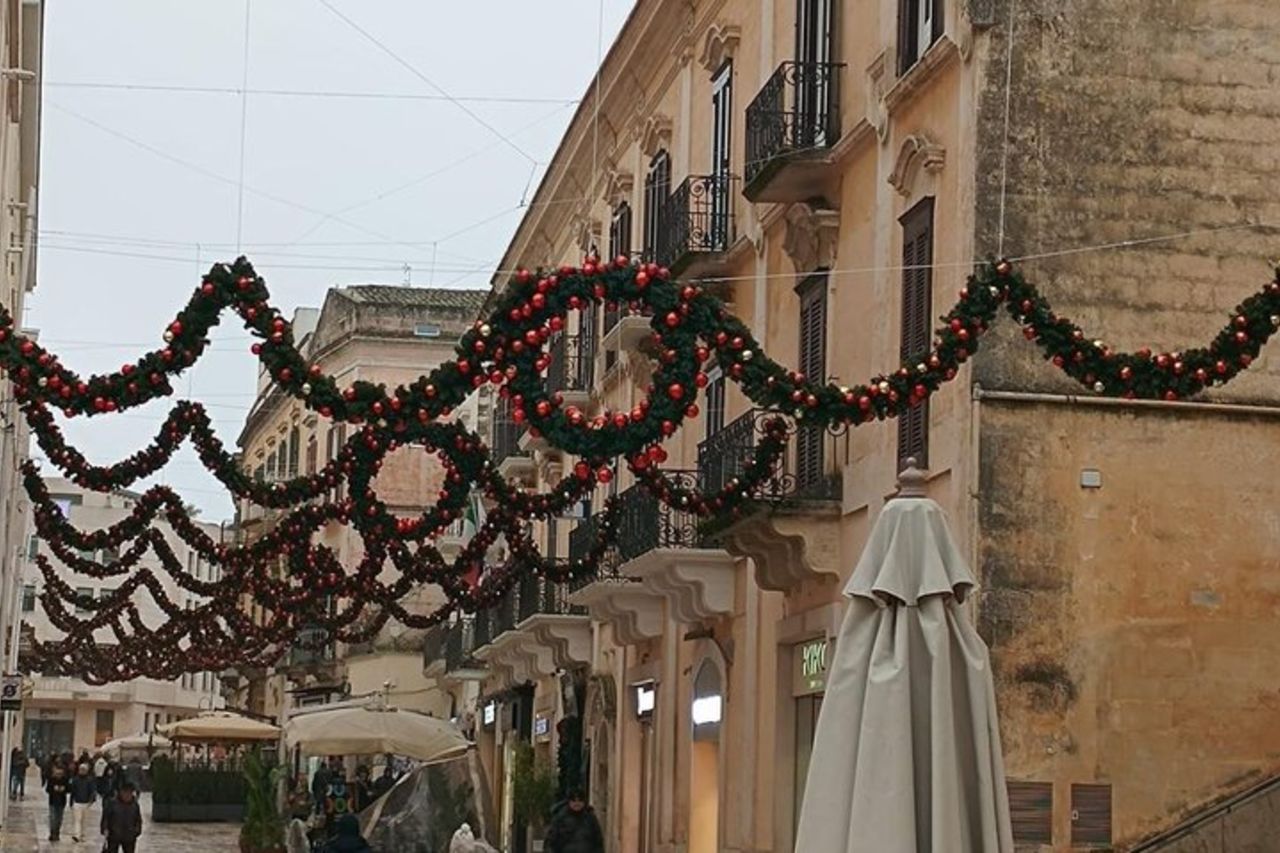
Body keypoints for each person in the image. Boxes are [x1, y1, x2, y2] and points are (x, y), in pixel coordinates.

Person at [544, 789, 604, 853]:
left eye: (580, 800)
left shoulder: (590, 818)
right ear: (569, 801)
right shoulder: (560, 818)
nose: (577, 803)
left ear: (584, 802)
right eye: (574, 800)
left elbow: (598, 842)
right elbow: (549, 843)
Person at [101, 781, 143, 853]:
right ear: (120, 792)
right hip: (113, 836)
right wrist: (104, 829)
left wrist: (136, 832)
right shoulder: (112, 803)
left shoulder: (135, 805)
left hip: (129, 837)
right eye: (125, 792)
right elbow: (106, 818)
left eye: (129, 792)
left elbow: (138, 820)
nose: (127, 795)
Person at [69, 761, 97, 841]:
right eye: (81, 769)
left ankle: (83, 835)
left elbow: (92, 791)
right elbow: (73, 791)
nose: (82, 771)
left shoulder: (90, 780)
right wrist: (71, 801)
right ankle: (77, 835)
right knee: (77, 820)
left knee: (84, 821)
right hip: (77, 802)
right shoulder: (75, 780)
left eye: (83, 769)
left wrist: (91, 800)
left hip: (86, 803)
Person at [44, 764, 69, 842]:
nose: (59, 775)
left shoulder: (65, 780)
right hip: (52, 801)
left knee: (59, 819)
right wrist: (54, 789)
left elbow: (69, 789)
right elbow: (47, 789)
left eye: (60, 774)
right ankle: (52, 833)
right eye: (57, 773)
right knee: (52, 818)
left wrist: (63, 789)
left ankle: (57, 832)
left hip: (61, 802)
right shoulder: (51, 779)